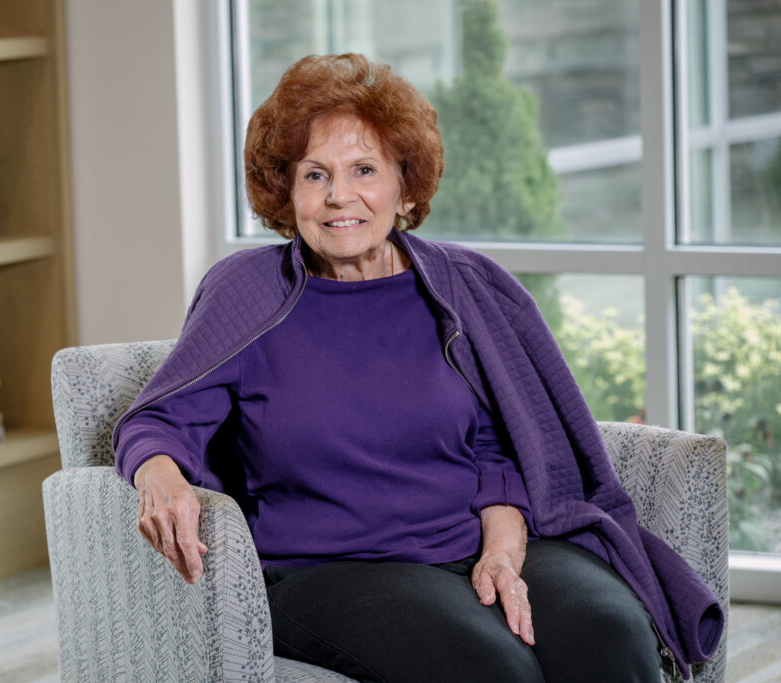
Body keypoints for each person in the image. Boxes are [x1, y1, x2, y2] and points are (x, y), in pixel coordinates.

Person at [114, 54, 723, 682]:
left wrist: (503, 548)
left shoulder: (464, 288)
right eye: (315, 174)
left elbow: (503, 441)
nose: (339, 196)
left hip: (473, 538)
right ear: (285, 190)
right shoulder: (247, 293)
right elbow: (162, 417)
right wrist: (159, 475)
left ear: (405, 188)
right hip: (329, 568)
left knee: (609, 633)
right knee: (492, 669)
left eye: (364, 170)